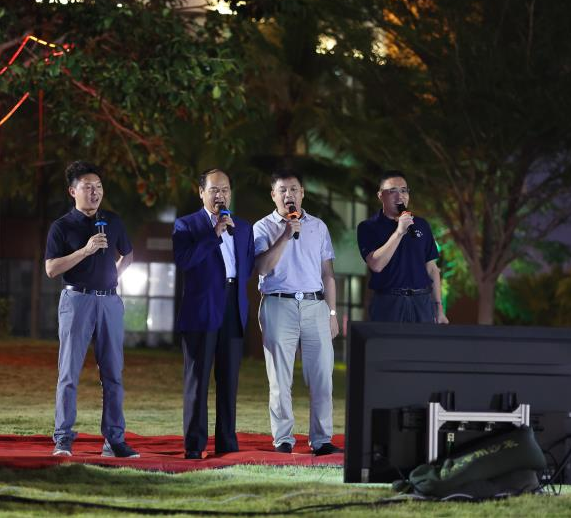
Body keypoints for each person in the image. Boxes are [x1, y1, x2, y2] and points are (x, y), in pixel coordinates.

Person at [44, 160, 139, 458]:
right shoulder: (62, 226)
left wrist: (113, 278)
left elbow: (128, 255)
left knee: (113, 374)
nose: (95, 192)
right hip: (77, 301)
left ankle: (114, 440)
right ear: (73, 191)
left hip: (109, 301)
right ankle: (63, 438)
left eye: (98, 186)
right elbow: (51, 269)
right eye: (88, 187)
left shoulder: (113, 221)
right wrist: (85, 251)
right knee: (69, 373)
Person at [253, 169, 342, 456]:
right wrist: (285, 235)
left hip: (316, 306)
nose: (288, 194)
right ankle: (283, 439)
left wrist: (332, 313)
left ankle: (322, 439)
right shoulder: (263, 227)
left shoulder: (318, 227)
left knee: (322, 377)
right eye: (282, 190)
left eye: (293, 189)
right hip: (278, 304)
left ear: (302, 193)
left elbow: (328, 274)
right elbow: (263, 267)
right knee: (280, 378)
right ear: (273, 195)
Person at [172, 169, 255, 460]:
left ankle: (227, 444)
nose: (221, 195)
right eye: (214, 190)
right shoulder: (186, 225)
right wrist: (213, 234)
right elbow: (184, 261)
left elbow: (248, 266)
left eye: (225, 190)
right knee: (198, 380)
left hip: (233, 305)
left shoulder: (243, 227)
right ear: (201, 192)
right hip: (202, 308)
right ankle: (195, 445)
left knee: (229, 380)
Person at [356, 170, 448, 324]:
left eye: (404, 190)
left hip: (422, 301)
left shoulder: (421, 225)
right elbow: (376, 265)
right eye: (393, 191)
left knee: (423, 340)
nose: (400, 196)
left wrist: (439, 308)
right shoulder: (368, 227)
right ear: (380, 195)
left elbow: (432, 269)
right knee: (389, 341)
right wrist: (399, 232)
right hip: (388, 302)